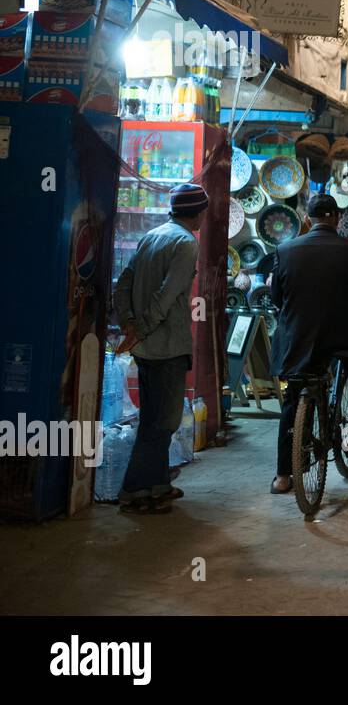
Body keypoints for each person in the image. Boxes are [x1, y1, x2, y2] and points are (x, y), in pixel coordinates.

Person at [268, 194, 348, 494]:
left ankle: (283, 475)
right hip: (346, 338)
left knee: (294, 394)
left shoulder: (285, 250)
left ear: (308, 218)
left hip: (300, 341)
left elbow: (276, 299)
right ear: (336, 218)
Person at [112, 183, 208, 514]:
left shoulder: (151, 236)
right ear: (197, 214)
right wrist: (142, 328)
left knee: (153, 419)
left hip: (147, 347)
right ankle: (135, 491)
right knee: (162, 423)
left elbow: (123, 282)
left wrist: (128, 323)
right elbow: (167, 296)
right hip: (166, 345)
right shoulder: (186, 244)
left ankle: (157, 485)